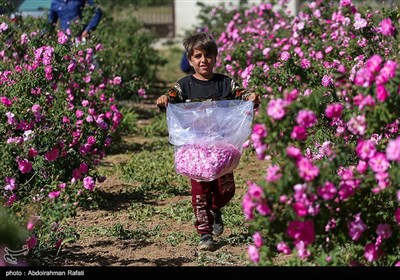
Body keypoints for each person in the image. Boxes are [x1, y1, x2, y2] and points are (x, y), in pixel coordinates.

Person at [156, 32, 260, 251]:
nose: (203, 60)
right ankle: (204, 234)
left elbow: (241, 94)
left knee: (227, 190)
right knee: (200, 194)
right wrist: (164, 99)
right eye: (198, 56)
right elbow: (170, 97)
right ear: (190, 60)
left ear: (215, 57)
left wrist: (250, 97)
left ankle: (215, 209)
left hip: (222, 147)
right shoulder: (184, 86)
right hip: (195, 150)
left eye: (208, 55)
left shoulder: (225, 83)